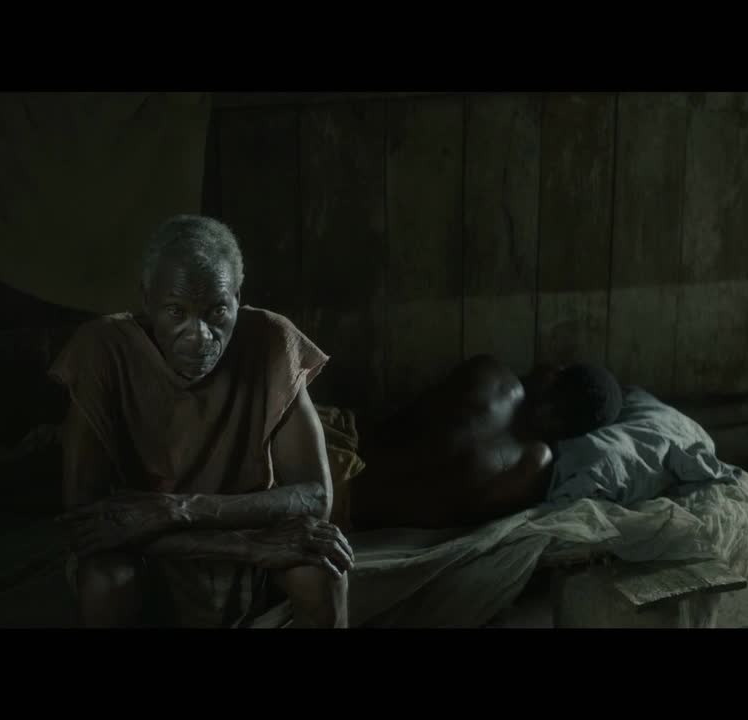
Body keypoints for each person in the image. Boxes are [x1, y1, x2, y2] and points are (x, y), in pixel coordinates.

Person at [49, 215, 352, 628]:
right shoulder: (102, 349)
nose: (200, 336)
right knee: (105, 582)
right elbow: (86, 522)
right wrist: (245, 546)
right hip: (149, 548)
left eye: (217, 312)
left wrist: (176, 509)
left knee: (323, 570)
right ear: (147, 301)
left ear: (237, 298)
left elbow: (316, 497)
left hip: (229, 533)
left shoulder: (271, 338)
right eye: (176, 312)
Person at [346, 355, 622, 531]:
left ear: (554, 375)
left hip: (340, 457)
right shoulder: (535, 466)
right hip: (356, 514)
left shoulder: (494, 375)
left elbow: (406, 417)